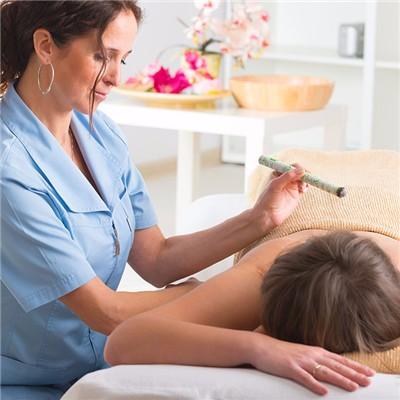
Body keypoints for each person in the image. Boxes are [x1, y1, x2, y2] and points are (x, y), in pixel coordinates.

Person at [0, 1, 371, 398]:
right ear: (45, 46)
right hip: (29, 382)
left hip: (106, 366)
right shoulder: (9, 170)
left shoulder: (100, 135)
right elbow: (104, 312)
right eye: (102, 57)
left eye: (123, 59)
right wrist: (216, 295)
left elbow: (157, 259)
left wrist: (260, 218)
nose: (116, 77)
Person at [105, 228, 400, 395]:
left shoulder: (386, 294)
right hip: (307, 222)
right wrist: (256, 347)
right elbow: (123, 342)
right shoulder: (260, 277)